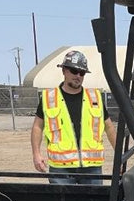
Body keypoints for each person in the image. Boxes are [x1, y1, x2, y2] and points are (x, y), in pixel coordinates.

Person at [30, 50, 117, 184]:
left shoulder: (95, 98)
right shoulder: (49, 98)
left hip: (91, 167)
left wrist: (120, 155)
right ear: (64, 70)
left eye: (82, 73)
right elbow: (37, 127)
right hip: (60, 169)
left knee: (94, 199)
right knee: (63, 199)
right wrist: (36, 154)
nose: (78, 76)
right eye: (74, 71)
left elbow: (109, 127)